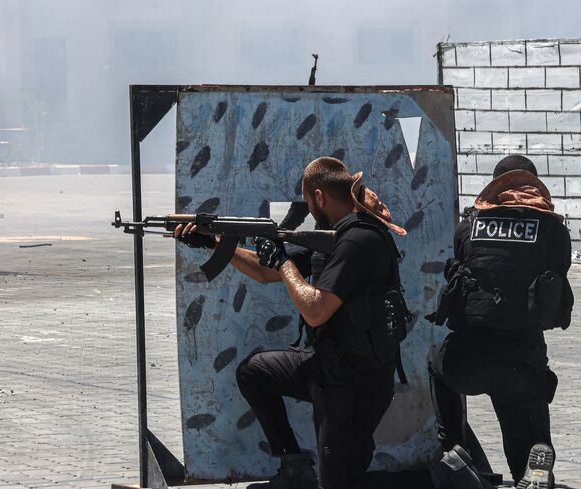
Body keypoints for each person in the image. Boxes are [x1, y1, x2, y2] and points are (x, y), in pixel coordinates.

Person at [175, 156, 409, 489]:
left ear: (319, 196)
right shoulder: (335, 236)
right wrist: (213, 242)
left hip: (354, 383)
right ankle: (294, 466)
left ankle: (443, 476)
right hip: (328, 365)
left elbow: (315, 309)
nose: (310, 209)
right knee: (254, 372)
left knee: (339, 482)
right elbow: (266, 269)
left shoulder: (359, 241)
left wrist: (284, 262)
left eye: (308, 200)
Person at [425, 154, 573, 489]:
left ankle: (455, 447)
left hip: (468, 359)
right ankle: (534, 467)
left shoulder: (468, 227)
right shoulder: (553, 231)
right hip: (524, 358)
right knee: (525, 422)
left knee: (435, 360)